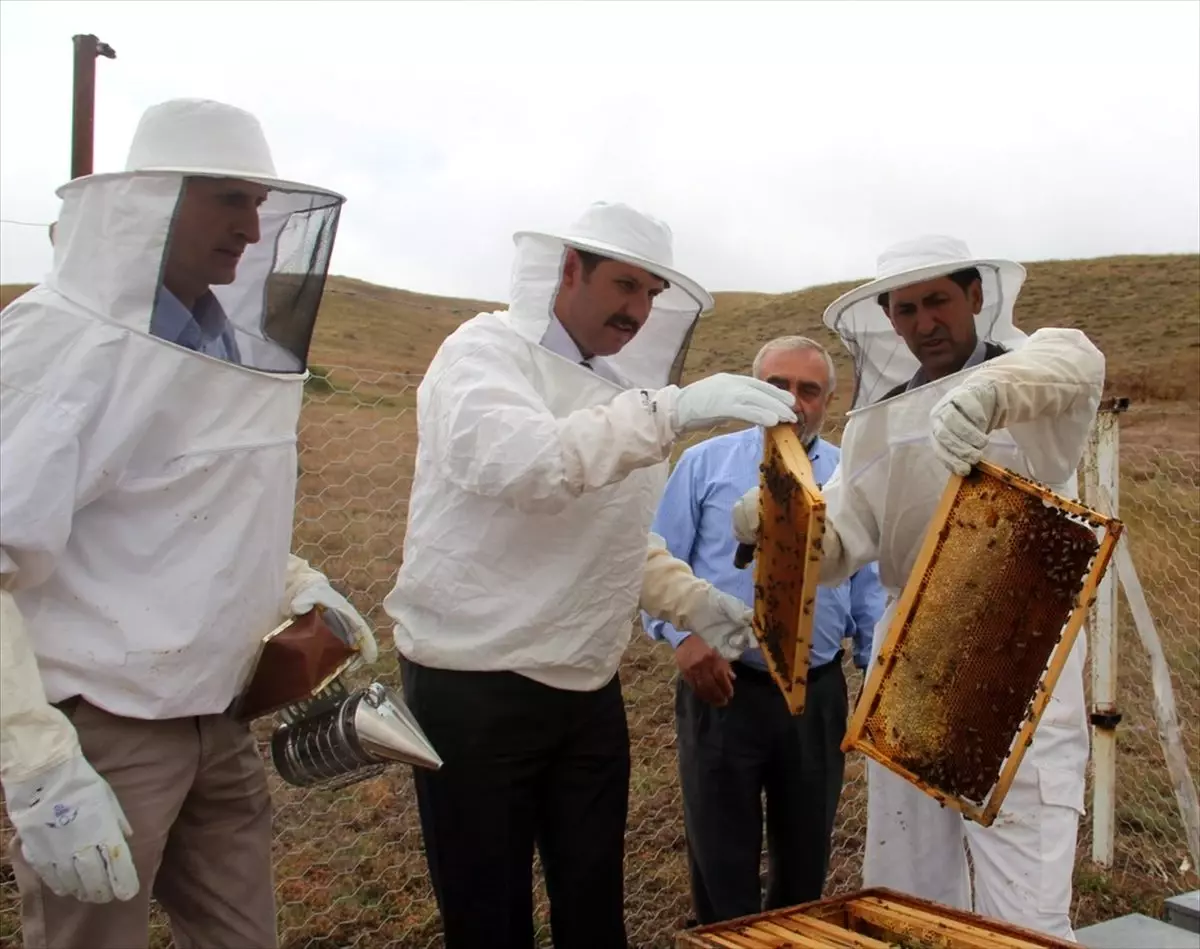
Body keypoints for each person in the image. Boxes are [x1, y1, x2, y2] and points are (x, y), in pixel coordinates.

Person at [0, 98, 379, 949]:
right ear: (154, 202)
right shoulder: (58, 344)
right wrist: (40, 764)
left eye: (257, 203)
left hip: (217, 714)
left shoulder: (213, 341)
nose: (250, 229)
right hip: (102, 729)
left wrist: (296, 581)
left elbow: (184, 502)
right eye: (227, 199)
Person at [382, 200, 799, 949]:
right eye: (624, 286)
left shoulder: (614, 391)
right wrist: (670, 411)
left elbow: (615, 537)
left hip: (583, 689)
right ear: (569, 269)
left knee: (593, 911)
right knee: (488, 916)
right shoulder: (481, 352)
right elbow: (528, 465)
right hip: (474, 686)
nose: (638, 310)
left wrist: (698, 600)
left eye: (650, 295)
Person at [731, 235, 1103, 940]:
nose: (924, 321)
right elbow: (842, 538)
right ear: (889, 319)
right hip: (913, 667)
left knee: (1024, 912)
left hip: (1022, 654)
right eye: (906, 309)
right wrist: (784, 521)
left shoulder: (1034, 374)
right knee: (911, 897)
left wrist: (993, 394)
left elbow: (1078, 357)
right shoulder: (879, 421)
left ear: (976, 296)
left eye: (938, 300)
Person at [643, 335, 886, 925]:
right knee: (720, 857)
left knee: (805, 859)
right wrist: (686, 640)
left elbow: (869, 589)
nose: (793, 401)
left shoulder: (852, 477)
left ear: (829, 400)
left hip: (817, 695)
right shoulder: (703, 463)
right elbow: (651, 557)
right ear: (754, 389)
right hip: (722, 688)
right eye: (778, 386)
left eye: (809, 390)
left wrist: (881, 671)